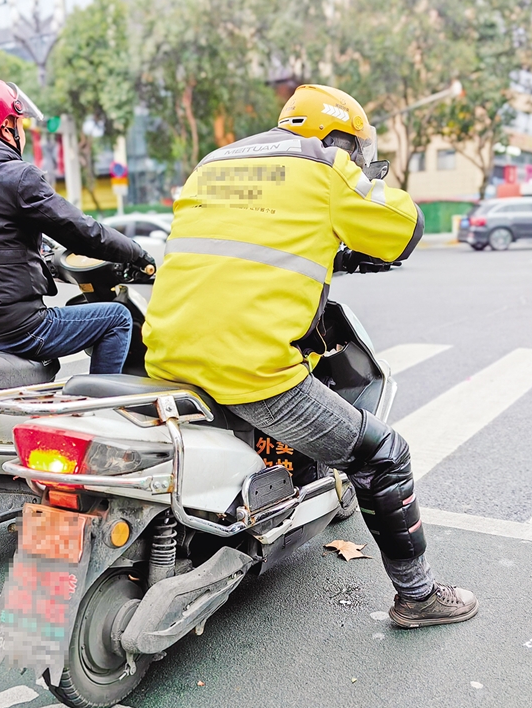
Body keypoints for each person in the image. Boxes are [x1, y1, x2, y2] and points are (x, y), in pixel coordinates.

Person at [143, 84, 477, 629]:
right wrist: (359, 186)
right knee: (386, 456)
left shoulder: (214, 163)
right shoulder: (324, 164)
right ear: (340, 137)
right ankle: (418, 597)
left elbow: (245, 237)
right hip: (248, 369)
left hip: (166, 355)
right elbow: (405, 228)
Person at [0, 78, 155, 373]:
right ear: (5, 126)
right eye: (20, 123)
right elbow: (82, 231)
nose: (22, 131)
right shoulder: (17, 176)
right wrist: (136, 254)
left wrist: (40, 257)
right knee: (117, 318)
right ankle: (100, 399)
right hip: (13, 329)